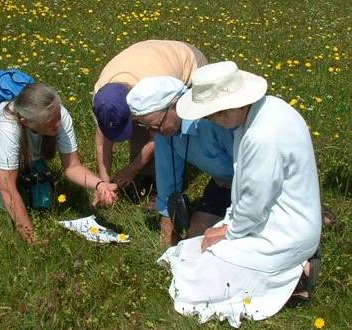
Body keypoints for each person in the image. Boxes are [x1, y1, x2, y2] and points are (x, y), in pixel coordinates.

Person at [158, 61, 321, 327]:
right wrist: (229, 225)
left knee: (202, 275)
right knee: (195, 248)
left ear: (226, 110)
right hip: (277, 217)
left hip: (285, 231)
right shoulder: (259, 115)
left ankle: (296, 274)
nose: (210, 121)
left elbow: (256, 202)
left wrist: (230, 231)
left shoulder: (260, 136)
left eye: (211, 115)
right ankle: (293, 270)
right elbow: (248, 192)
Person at [0, 82, 118, 244]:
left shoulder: (58, 114)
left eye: (58, 117)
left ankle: (25, 169)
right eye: (50, 122)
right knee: (12, 201)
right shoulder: (7, 126)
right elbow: (7, 188)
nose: (58, 125)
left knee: (42, 204)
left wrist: (100, 185)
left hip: (27, 152)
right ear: (25, 122)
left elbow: (73, 167)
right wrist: (31, 238)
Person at [126, 76, 234, 245]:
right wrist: (168, 227)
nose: (152, 134)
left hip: (254, 183)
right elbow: (167, 177)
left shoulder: (213, 121)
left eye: (155, 125)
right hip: (224, 184)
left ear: (176, 106)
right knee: (196, 237)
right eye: (146, 127)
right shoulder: (165, 131)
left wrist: (233, 223)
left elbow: (249, 170)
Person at [93, 39, 208, 191]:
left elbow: (161, 130)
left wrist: (132, 169)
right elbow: (103, 141)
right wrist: (104, 183)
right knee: (147, 126)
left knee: (170, 129)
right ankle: (148, 177)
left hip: (188, 60)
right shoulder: (102, 98)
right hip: (149, 57)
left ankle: (165, 186)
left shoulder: (155, 87)